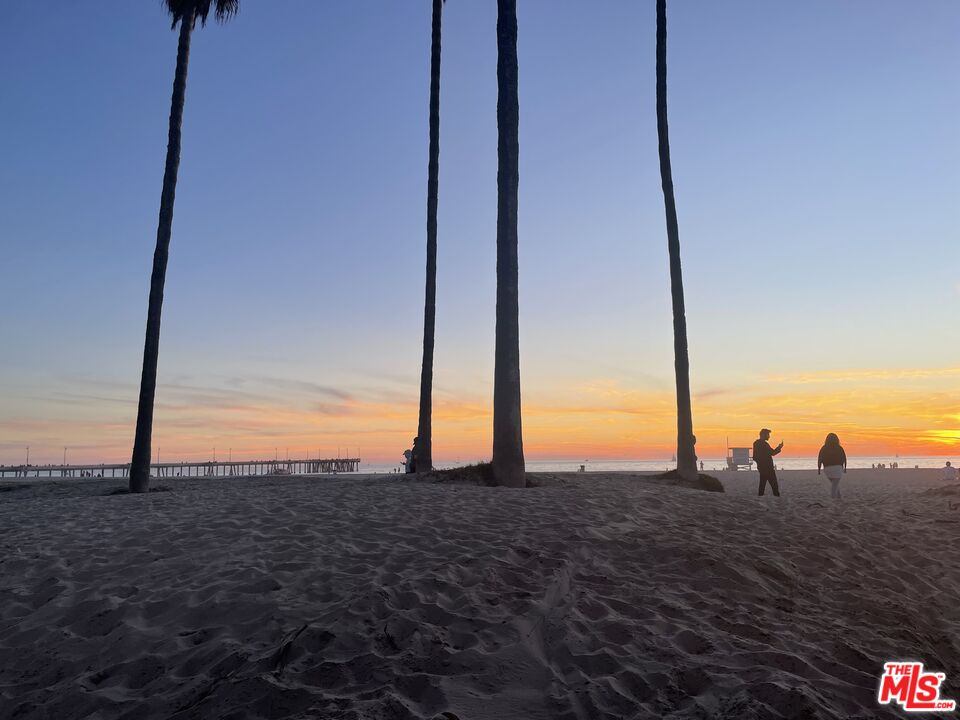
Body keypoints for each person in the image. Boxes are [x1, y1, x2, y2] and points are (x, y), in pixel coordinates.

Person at [753, 428, 783, 496]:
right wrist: (779, 447)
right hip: (768, 468)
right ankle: (776, 497)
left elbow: (755, 457)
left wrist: (760, 464)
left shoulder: (756, 443)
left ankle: (760, 498)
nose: (769, 436)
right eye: (768, 435)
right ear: (764, 435)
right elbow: (772, 453)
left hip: (762, 468)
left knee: (762, 485)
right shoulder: (764, 444)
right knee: (774, 486)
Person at [817, 433, 847, 499]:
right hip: (838, 468)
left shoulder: (824, 448)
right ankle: (833, 498)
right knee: (835, 484)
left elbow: (820, 458)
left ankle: (839, 497)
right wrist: (845, 468)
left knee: (835, 483)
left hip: (827, 469)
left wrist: (819, 469)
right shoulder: (839, 448)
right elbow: (844, 458)